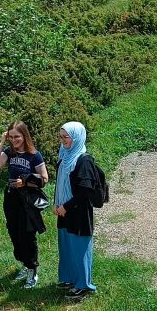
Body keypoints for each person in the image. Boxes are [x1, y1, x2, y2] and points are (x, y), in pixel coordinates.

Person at [0, 121, 49, 289]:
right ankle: (24, 263)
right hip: (11, 197)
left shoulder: (34, 155)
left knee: (27, 233)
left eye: (17, 136)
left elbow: (45, 179)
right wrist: (2, 142)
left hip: (27, 199)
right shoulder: (9, 152)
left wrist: (26, 181)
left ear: (24, 136)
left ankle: (32, 269)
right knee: (14, 231)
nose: (14, 140)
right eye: (11, 137)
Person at [55, 121, 98, 300]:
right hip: (63, 210)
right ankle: (70, 279)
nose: (63, 140)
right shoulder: (64, 155)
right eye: (61, 137)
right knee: (66, 247)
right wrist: (58, 204)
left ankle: (83, 286)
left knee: (80, 248)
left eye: (67, 137)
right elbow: (60, 182)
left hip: (77, 212)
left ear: (77, 137)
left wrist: (65, 207)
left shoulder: (84, 161)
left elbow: (85, 191)